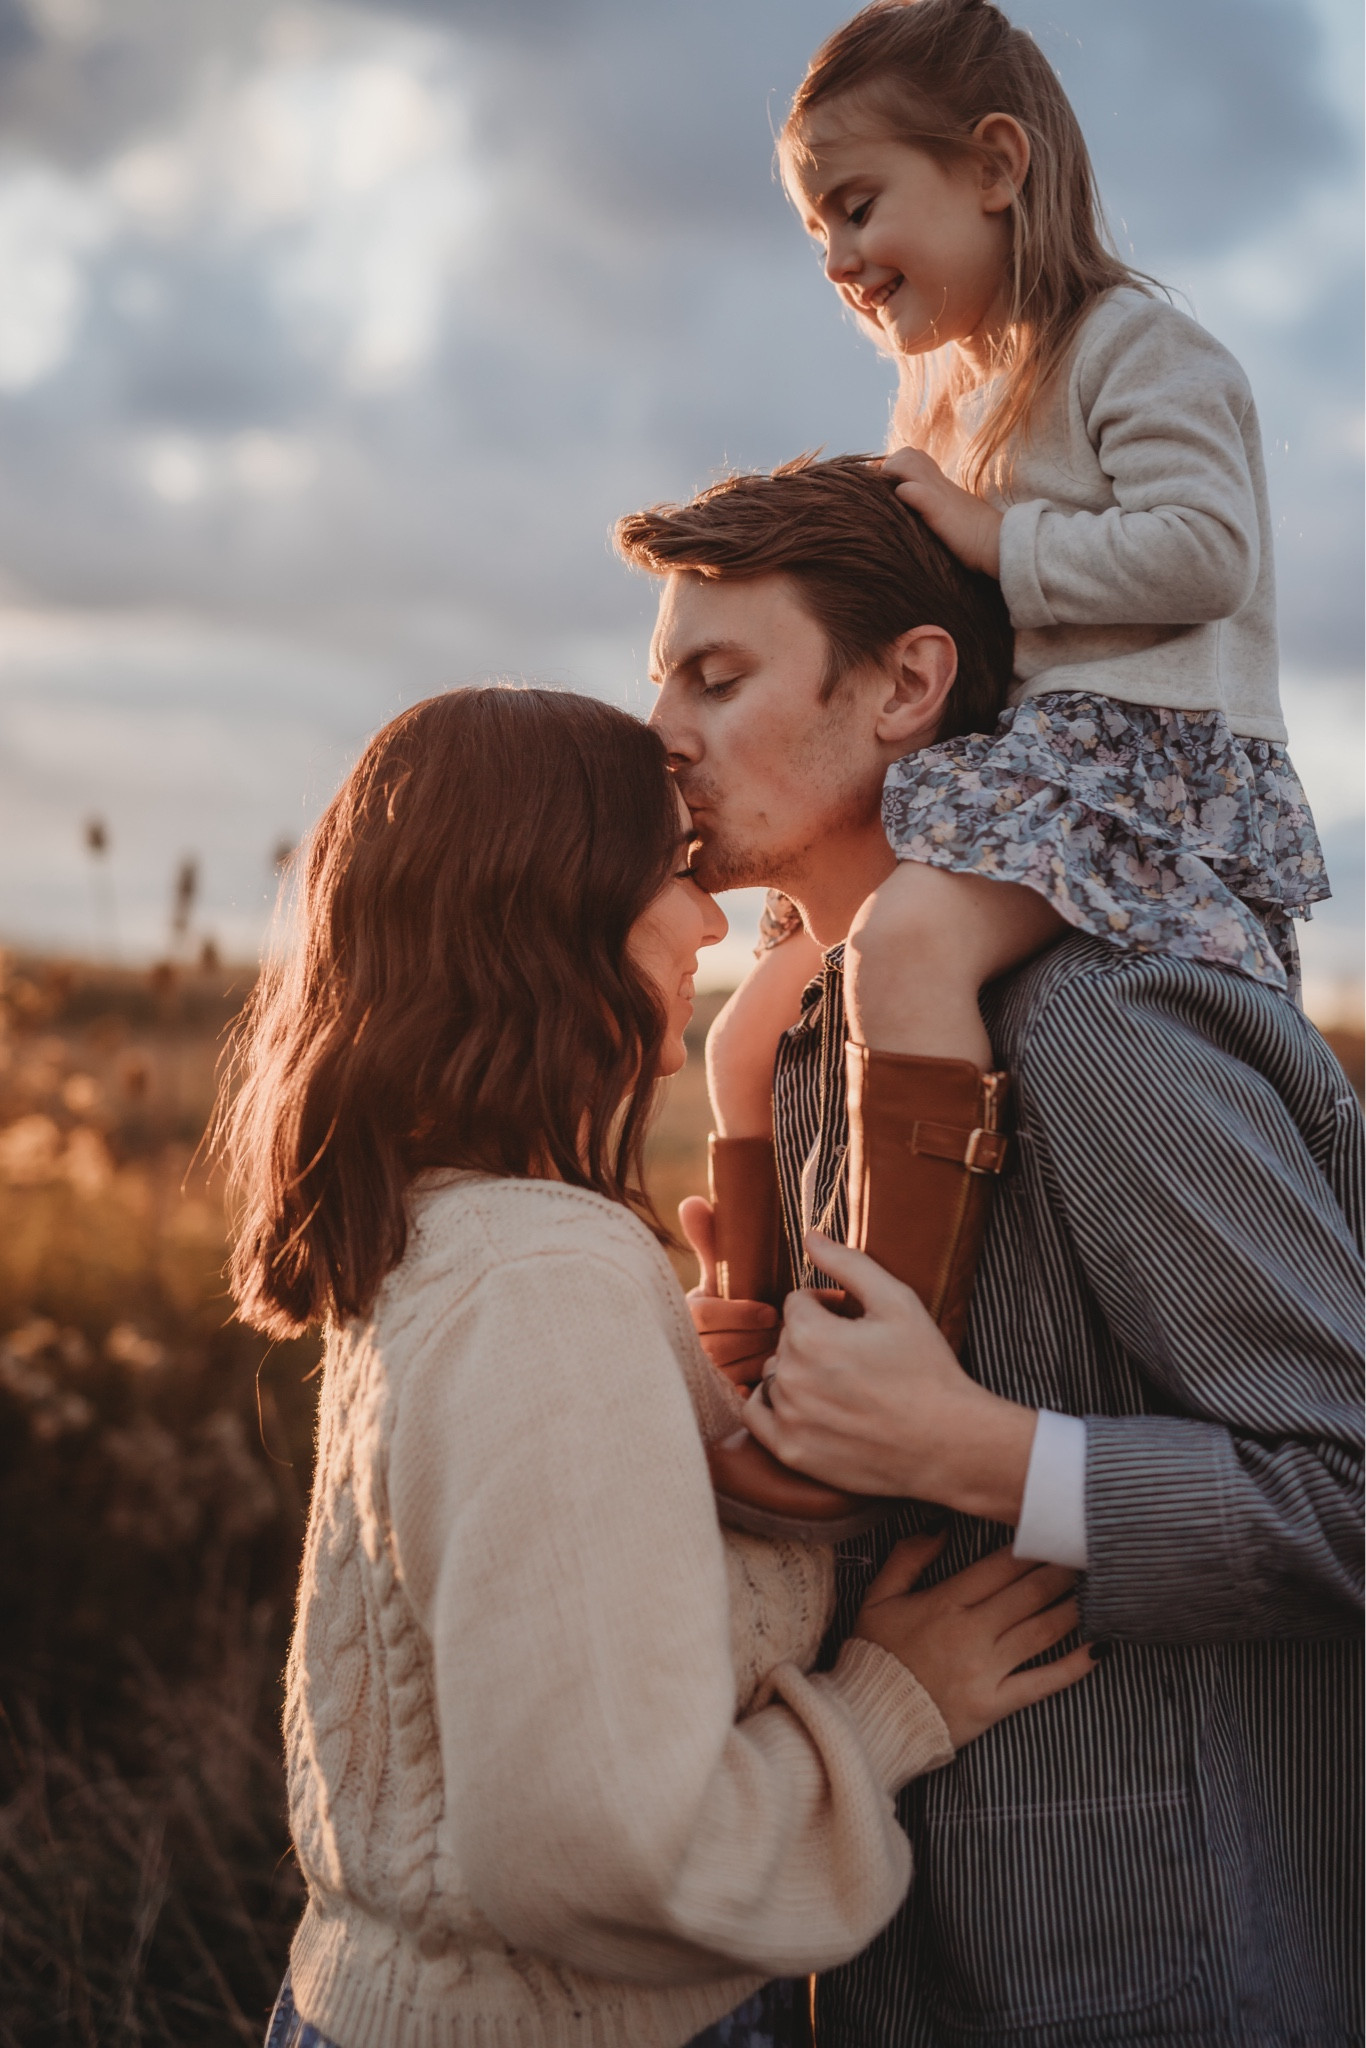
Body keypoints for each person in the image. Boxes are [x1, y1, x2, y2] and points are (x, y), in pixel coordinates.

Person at [217, 685, 1095, 2048]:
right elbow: (600, 1854)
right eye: (674, 875)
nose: (707, 923)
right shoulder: (540, 1286)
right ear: (550, 908)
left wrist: (690, 1415)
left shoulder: (456, 1232)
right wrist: (886, 1710)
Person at [621, 452, 1364, 2045]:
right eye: (660, 679)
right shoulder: (810, 1045)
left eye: (717, 678)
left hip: (1165, 1976)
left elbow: (1349, 1492)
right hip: (890, 1965)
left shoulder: (1094, 1026)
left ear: (907, 685)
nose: (661, 731)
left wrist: (985, 1454)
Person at [717, 0, 1328, 1363]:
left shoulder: (1135, 345)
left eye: (857, 206)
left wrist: (993, 537)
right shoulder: (948, 397)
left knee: (908, 948)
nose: (837, 257)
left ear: (995, 166)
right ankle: (753, 1330)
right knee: (750, 1028)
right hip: (1021, 767)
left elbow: (1206, 552)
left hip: (1145, 771)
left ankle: (889, 1341)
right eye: (815, 230)